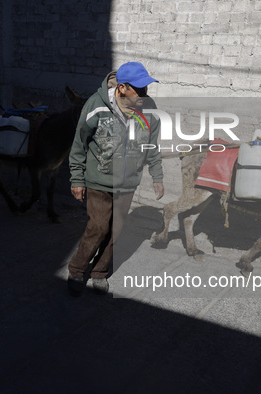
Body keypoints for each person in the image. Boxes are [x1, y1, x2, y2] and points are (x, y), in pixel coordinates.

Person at [67, 62, 164, 296]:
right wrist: (77, 179)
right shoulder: (96, 105)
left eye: (146, 89)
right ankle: (77, 270)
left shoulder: (148, 110)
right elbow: (79, 144)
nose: (144, 95)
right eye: (138, 90)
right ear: (121, 88)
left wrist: (157, 176)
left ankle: (100, 272)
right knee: (98, 227)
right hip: (99, 181)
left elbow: (152, 147)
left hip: (127, 183)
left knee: (116, 231)